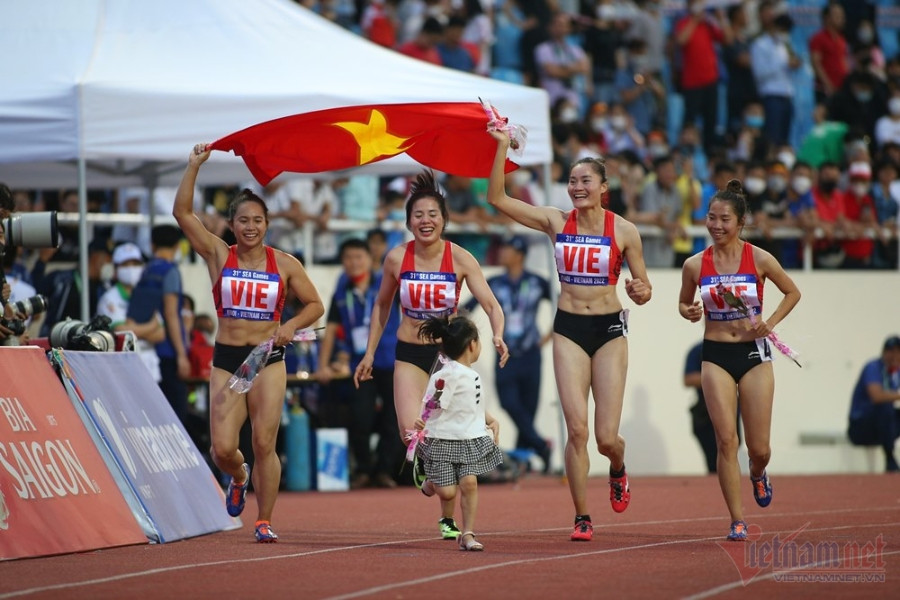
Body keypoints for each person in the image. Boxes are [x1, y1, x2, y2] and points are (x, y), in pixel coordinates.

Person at [487, 129, 652, 542]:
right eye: (573, 181)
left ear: (603, 187)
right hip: (569, 329)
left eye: (585, 181)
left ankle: (617, 466)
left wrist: (640, 290)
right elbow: (498, 199)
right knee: (576, 430)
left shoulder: (625, 231)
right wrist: (501, 148)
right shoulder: (555, 221)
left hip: (610, 330)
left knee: (605, 438)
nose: (577, 188)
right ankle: (582, 516)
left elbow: (644, 287)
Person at [172, 143, 324, 543]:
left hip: (268, 359)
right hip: (228, 359)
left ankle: (264, 519)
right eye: (243, 220)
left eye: (257, 220)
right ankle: (238, 477)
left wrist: (290, 325)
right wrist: (194, 167)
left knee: (263, 441)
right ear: (232, 224)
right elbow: (182, 214)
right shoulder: (219, 255)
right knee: (222, 449)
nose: (250, 227)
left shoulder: (286, 264)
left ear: (267, 223)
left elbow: (315, 306)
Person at [353, 170, 509, 541]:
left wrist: (499, 335)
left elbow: (490, 303)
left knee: (448, 439)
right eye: (418, 215)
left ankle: (442, 496)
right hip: (408, 354)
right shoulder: (396, 259)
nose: (425, 221)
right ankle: (428, 472)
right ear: (408, 222)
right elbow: (381, 307)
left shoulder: (460, 258)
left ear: (444, 220)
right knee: (413, 434)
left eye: (433, 214)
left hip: (447, 359)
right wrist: (369, 353)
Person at [678, 179, 801, 541]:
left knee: (758, 448)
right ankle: (737, 519)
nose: (716, 225)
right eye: (711, 218)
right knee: (726, 440)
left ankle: (758, 473)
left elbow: (793, 291)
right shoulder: (694, 265)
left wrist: (770, 322)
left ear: (741, 222)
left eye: (724, 219)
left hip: (753, 354)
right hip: (715, 353)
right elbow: (684, 303)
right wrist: (688, 310)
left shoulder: (759, 258)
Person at [317, 238, 404, 489]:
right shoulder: (341, 292)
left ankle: (385, 472)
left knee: (393, 419)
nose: (354, 263)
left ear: (369, 260)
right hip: (361, 365)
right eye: (348, 258)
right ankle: (365, 470)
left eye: (359, 257)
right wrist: (323, 365)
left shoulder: (388, 284)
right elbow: (331, 331)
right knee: (360, 418)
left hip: (391, 360)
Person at [463, 235, 553, 473]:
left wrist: (548, 337)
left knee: (528, 408)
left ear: (520, 254)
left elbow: (563, 303)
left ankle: (523, 459)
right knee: (509, 403)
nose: (502, 253)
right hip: (506, 354)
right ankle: (541, 446)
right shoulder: (494, 282)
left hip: (531, 354)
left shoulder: (537, 282)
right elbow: (468, 308)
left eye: (508, 249)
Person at [414, 315, 503, 551]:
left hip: (469, 438)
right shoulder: (446, 375)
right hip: (443, 438)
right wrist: (422, 420)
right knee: (447, 491)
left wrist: (490, 419)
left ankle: (468, 534)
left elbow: (473, 405)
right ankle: (431, 481)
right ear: (472, 344)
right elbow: (433, 403)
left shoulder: (472, 375)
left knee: (470, 484)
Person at [126, 225, 191, 423]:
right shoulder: (170, 271)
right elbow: (171, 314)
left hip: (149, 349)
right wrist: (181, 354)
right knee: (177, 413)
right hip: (168, 350)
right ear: (178, 246)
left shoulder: (147, 271)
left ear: (152, 245)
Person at [97, 242, 164, 381]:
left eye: (135, 264)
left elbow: (161, 334)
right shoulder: (109, 298)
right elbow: (121, 332)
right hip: (122, 363)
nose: (131, 268)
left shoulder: (148, 295)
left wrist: (135, 328)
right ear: (116, 269)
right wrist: (151, 326)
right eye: (125, 265)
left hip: (149, 363)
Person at [847, 335, 900, 472]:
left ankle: (889, 454)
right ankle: (890, 459)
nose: (894, 356)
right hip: (861, 426)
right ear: (884, 352)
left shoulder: (896, 372)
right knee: (885, 407)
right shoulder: (873, 367)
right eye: (891, 351)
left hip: (882, 428)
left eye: (898, 352)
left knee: (890, 411)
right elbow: (877, 396)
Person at [684, 341, 717, 474]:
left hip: (732, 407)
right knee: (712, 455)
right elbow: (688, 379)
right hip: (705, 409)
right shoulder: (698, 350)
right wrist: (719, 378)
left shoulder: (741, 348)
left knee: (732, 446)